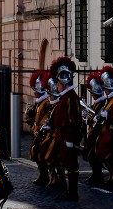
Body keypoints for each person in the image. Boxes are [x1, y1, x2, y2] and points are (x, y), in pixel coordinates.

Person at [48, 56, 82, 201]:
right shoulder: (65, 97)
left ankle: (72, 193)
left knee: (71, 164)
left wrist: (69, 139)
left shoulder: (70, 98)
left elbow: (72, 120)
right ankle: (69, 190)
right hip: (62, 136)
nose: (57, 86)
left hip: (68, 137)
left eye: (58, 82)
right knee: (66, 162)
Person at [28, 70, 55, 186]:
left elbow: (46, 117)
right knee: (36, 153)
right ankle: (43, 175)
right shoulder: (39, 103)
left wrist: (40, 127)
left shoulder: (46, 103)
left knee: (45, 154)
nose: (34, 93)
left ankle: (52, 177)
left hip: (45, 133)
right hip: (38, 132)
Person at [82, 70, 106, 184]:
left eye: (92, 92)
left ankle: (98, 175)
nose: (91, 94)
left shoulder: (103, 103)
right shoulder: (97, 102)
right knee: (91, 155)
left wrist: (94, 118)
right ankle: (96, 174)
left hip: (99, 133)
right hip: (93, 131)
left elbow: (100, 117)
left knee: (93, 155)